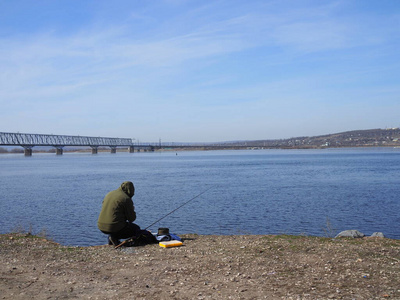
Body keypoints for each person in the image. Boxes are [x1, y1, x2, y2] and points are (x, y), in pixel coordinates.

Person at [97, 181, 155, 246]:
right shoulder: (126, 199)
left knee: (117, 225)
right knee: (136, 229)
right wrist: (132, 209)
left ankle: (112, 239)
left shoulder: (109, 194)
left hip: (101, 226)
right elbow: (132, 219)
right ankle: (115, 238)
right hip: (113, 227)